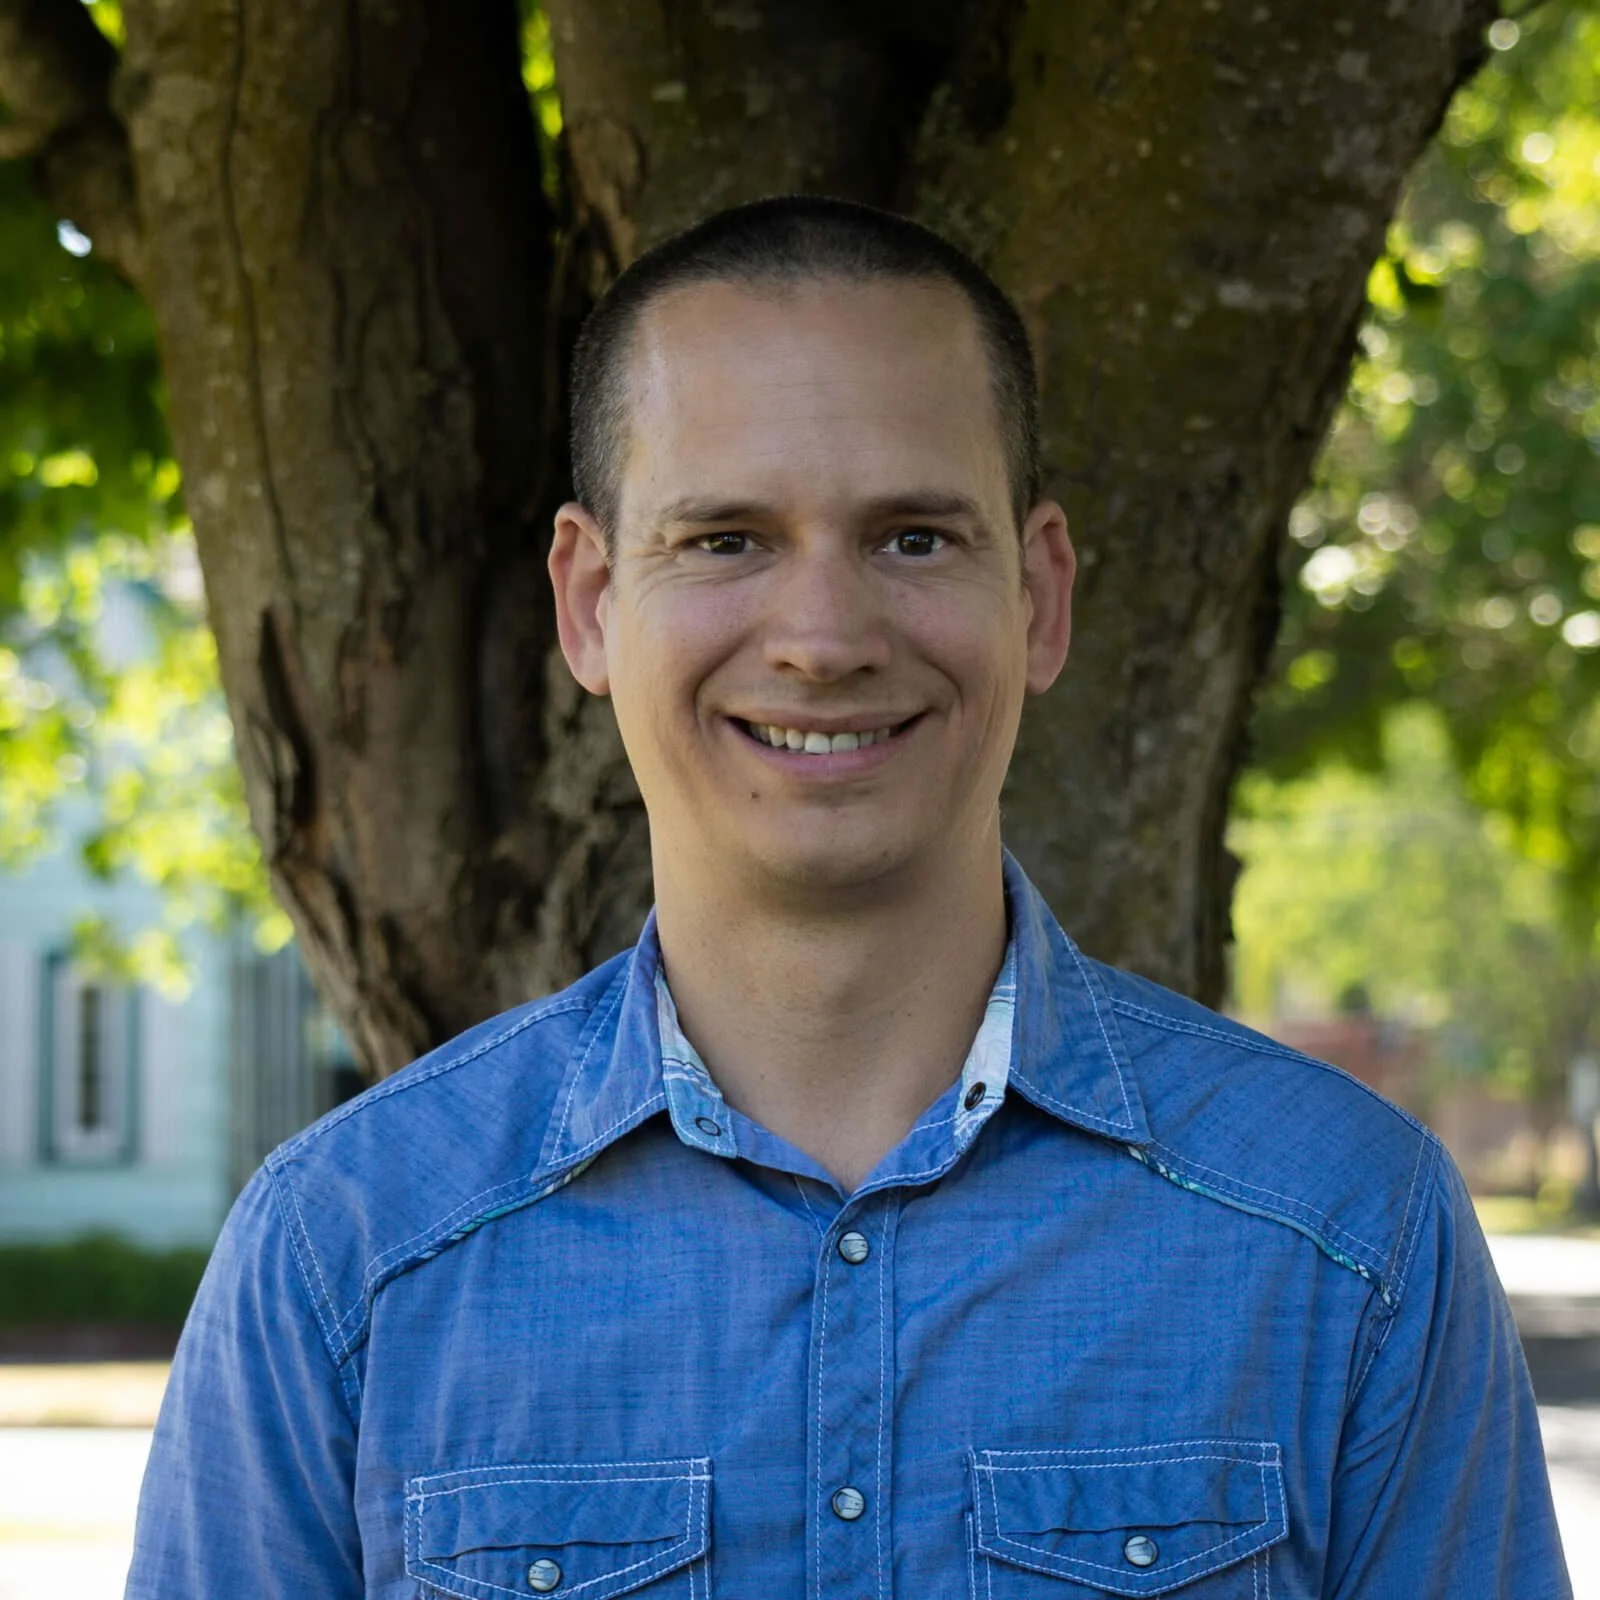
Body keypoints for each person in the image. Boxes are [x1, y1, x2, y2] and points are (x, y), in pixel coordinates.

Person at [125, 195, 1570, 1599]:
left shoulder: (1346, 1237)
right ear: (590, 602)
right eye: (727, 539)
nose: (822, 638)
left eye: (914, 538)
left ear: (1043, 596)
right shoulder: (348, 1260)